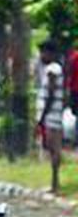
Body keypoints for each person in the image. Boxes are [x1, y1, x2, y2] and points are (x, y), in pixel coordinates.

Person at [37, 39, 65, 194]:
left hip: (51, 116)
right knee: (53, 149)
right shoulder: (54, 68)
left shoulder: (52, 69)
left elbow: (51, 94)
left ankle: (55, 185)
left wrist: (43, 115)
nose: (41, 55)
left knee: (54, 149)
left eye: (43, 52)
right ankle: (54, 184)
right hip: (54, 115)